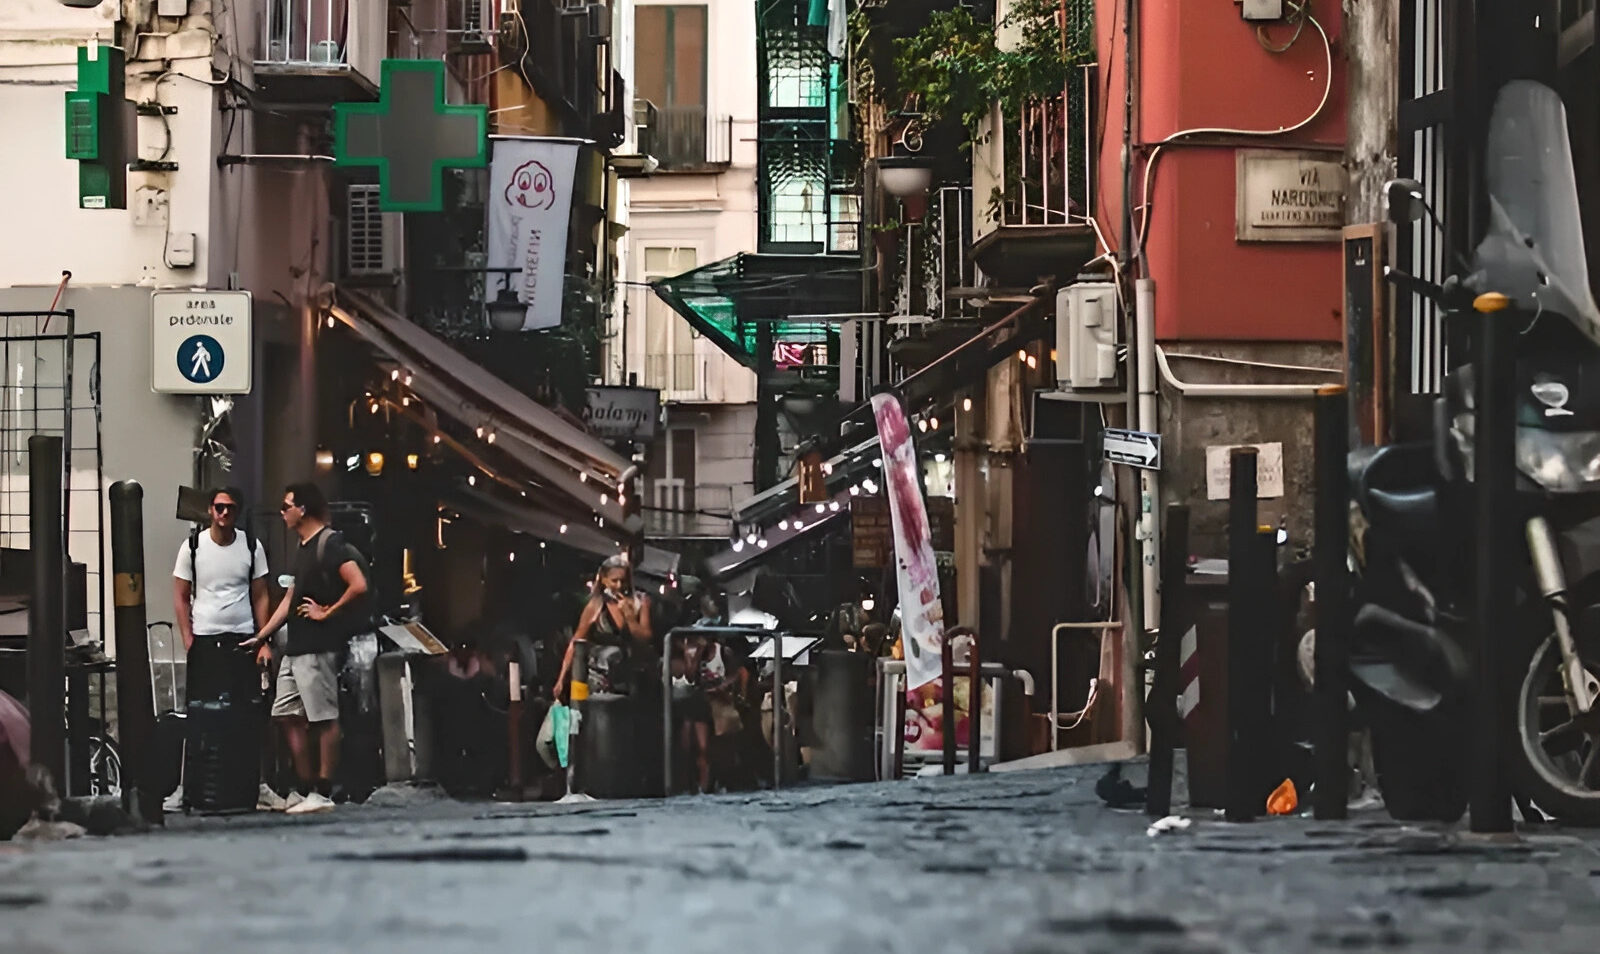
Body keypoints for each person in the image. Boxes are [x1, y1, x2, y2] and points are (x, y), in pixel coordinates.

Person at [243, 483, 368, 815]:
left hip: (318, 645)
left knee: (324, 717)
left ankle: (323, 790)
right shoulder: (302, 547)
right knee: (285, 713)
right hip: (297, 646)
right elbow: (289, 600)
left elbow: (358, 584)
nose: (282, 512)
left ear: (302, 509)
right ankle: (303, 785)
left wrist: (327, 611)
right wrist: (262, 635)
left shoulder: (329, 544)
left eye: (286, 507)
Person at [168, 487, 275, 813]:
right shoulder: (194, 547)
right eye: (218, 507)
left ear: (237, 511)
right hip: (205, 641)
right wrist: (188, 637)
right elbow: (181, 594)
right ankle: (188, 788)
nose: (224, 513)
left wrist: (263, 640)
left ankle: (254, 786)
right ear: (210, 510)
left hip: (242, 640)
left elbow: (260, 595)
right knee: (199, 714)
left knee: (247, 715)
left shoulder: (252, 547)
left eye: (229, 508)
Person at [553, 555, 652, 699]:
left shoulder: (641, 602)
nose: (619, 585)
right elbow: (576, 642)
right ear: (604, 580)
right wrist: (561, 678)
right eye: (614, 581)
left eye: (623, 581)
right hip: (601, 679)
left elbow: (646, 638)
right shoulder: (596, 605)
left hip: (631, 676)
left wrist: (630, 619)